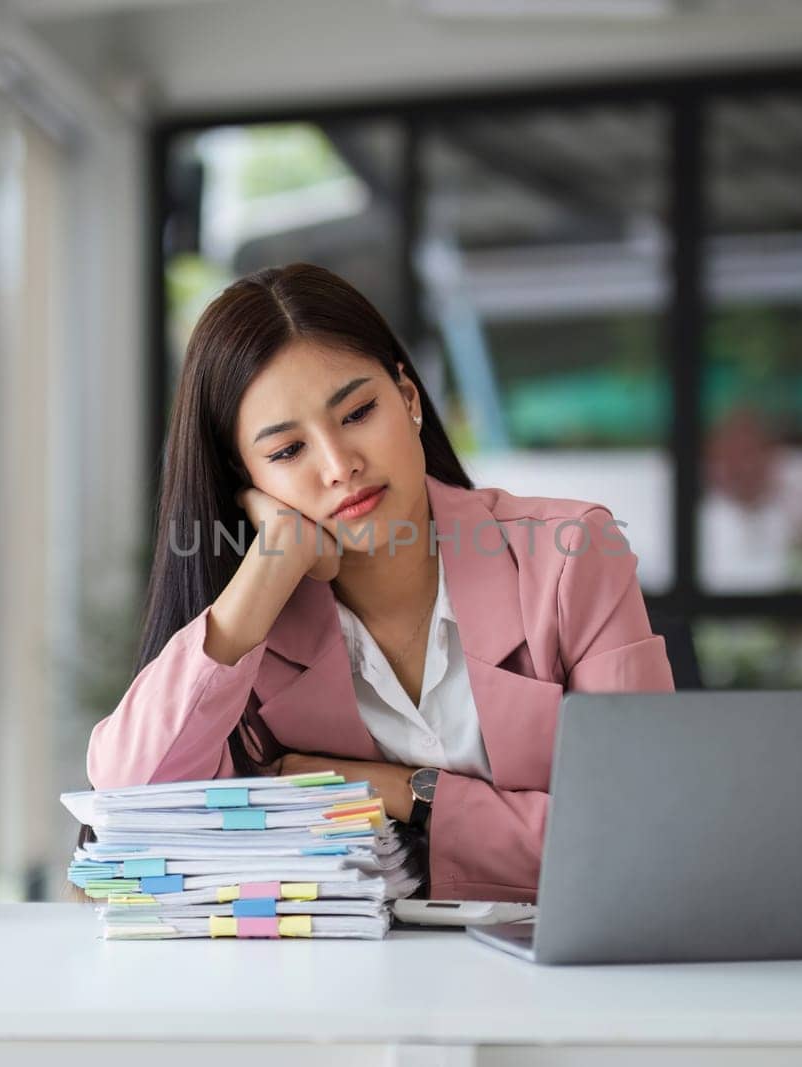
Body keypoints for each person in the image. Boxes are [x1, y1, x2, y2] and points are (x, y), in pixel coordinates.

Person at [86, 263, 674, 902]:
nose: (341, 467)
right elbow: (131, 805)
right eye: (287, 452)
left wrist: (405, 793)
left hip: (566, 984)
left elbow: (641, 837)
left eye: (359, 412)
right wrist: (267, 568)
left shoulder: (570, 556)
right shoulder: (256, 638)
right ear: (249, 479)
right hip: (349, 991)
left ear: (410, 399)